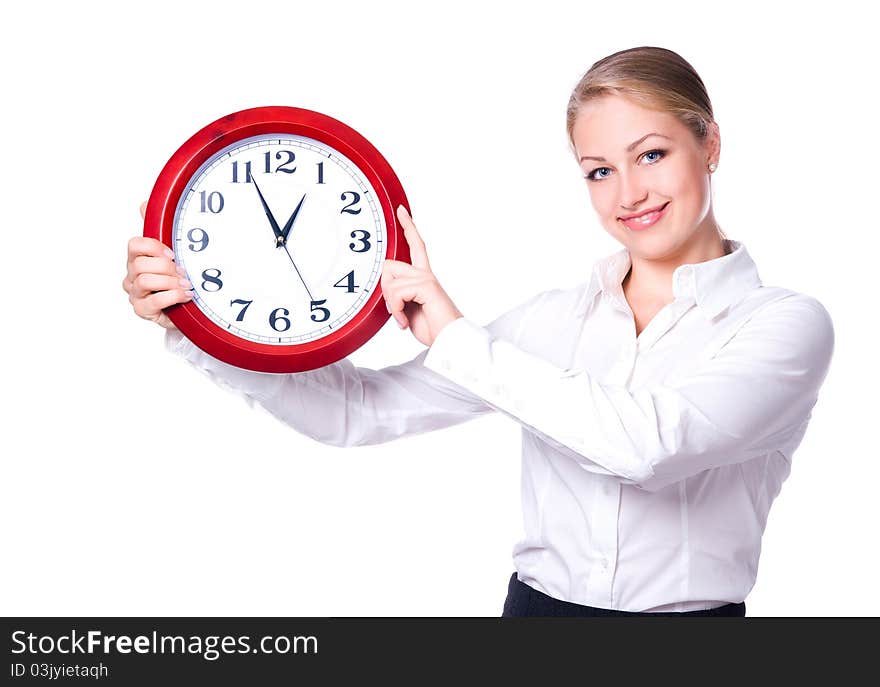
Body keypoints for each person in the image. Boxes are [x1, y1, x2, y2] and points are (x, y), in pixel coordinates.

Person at [123, 46, 835, 617]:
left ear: (708, 143)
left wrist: (457, 338)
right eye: (598, 170)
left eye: (651, 154)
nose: (629, 195)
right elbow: (357, 411)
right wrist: (195, 323)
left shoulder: (784, 326)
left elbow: (649, 445)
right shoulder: (553, 318)